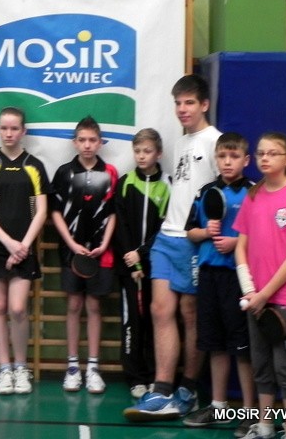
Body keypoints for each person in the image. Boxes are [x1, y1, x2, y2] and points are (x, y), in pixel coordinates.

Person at [125, 73, 220, 420]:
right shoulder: (181, 142)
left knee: (190, 314)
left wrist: (207, 233)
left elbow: (224, 193)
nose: (182, 109)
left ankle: (188, 390)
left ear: (204, 104)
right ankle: (162, 390)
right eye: (178, 103)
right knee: (159, 310)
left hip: (194, 242)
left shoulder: (215, 141)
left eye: (189, 102)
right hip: (166, 238)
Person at [234, 132, 286, 439]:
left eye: (272, 153)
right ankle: (266, 426)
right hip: (255, 298)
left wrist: (265, 294)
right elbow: (241, 247)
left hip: (285, 300)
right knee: (261, 367)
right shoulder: (253, 195)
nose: (265, 158)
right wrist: (249, 290)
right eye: (260, 153)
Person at [182, 132, 256, 433]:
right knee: (215, 344)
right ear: (216, 159)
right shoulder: (205, 192)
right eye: (222, 156)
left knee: (242, 346)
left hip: (238, 278)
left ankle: (250, 412)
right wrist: (206, 232)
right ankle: (218, 406)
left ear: (245, 160)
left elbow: (262, 237)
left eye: (234, 156)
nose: (227, 162)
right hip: (209, 276)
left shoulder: (253, 193)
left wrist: (235, 242)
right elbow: (190, 231)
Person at [0, 106, 49, 395]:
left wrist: (24, 246)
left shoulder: (35, 166)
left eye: (14, 128)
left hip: (24, 248)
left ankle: (21, 367)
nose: (9, 133)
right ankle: (4, 369)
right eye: (4, 128)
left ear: (23, 131)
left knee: (18, 308)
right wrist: (8, 243)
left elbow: (41, 211)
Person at [50, 115, 119, 394]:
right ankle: (72, 367)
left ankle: (92, 368)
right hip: (72, 253)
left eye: (92, 140)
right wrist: (70, 243)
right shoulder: (64, 172)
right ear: (74, 142)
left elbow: (112, 213)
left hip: (100, 252)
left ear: (100, 142)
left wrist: (105, 243)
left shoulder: (109, 173)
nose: (87, 145)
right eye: (82, 140)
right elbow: (55, 212)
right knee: (74, 306)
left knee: (93, 306)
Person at [112, 128, 170, 399]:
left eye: (147, 151)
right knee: (132, 322)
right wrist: (131, 260)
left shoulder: (168, 185)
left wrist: (143, 254)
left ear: (158, 153)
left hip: (156, 266)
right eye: (137, 151)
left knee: (155, 321)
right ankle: (135, 377)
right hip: (129, 269)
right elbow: (121, 226)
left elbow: (165, 227)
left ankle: (153, 375)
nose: (141, 156)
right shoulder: (125, 183)